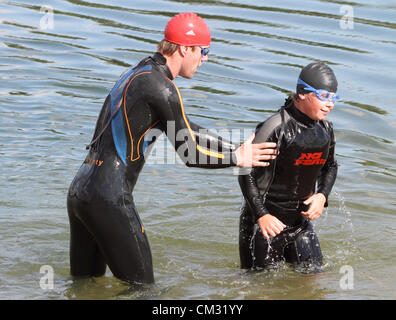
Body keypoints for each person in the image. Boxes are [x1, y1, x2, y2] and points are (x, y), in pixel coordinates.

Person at [67, 12, 277, 285]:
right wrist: (237, 157)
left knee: (84, 286)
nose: (205, 59)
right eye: (203, 51)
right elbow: (189, 153)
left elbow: (186, 128)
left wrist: (235, 147)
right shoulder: (163, 88)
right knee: (143, 290)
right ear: (184, 48)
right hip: (109, 198)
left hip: (80, 192)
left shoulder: (139, 72)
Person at [238, 62, 339, 273]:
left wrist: (322, 196)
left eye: (334, 97)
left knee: (314, 285)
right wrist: (261, 215)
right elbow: (245, 172)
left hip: (300, 225)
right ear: (302, 93)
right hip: (264, 225)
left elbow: (330, 166)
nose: (330, 104)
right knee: (261, 291)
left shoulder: (326, 129)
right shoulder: (276, 127)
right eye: (323, 96)